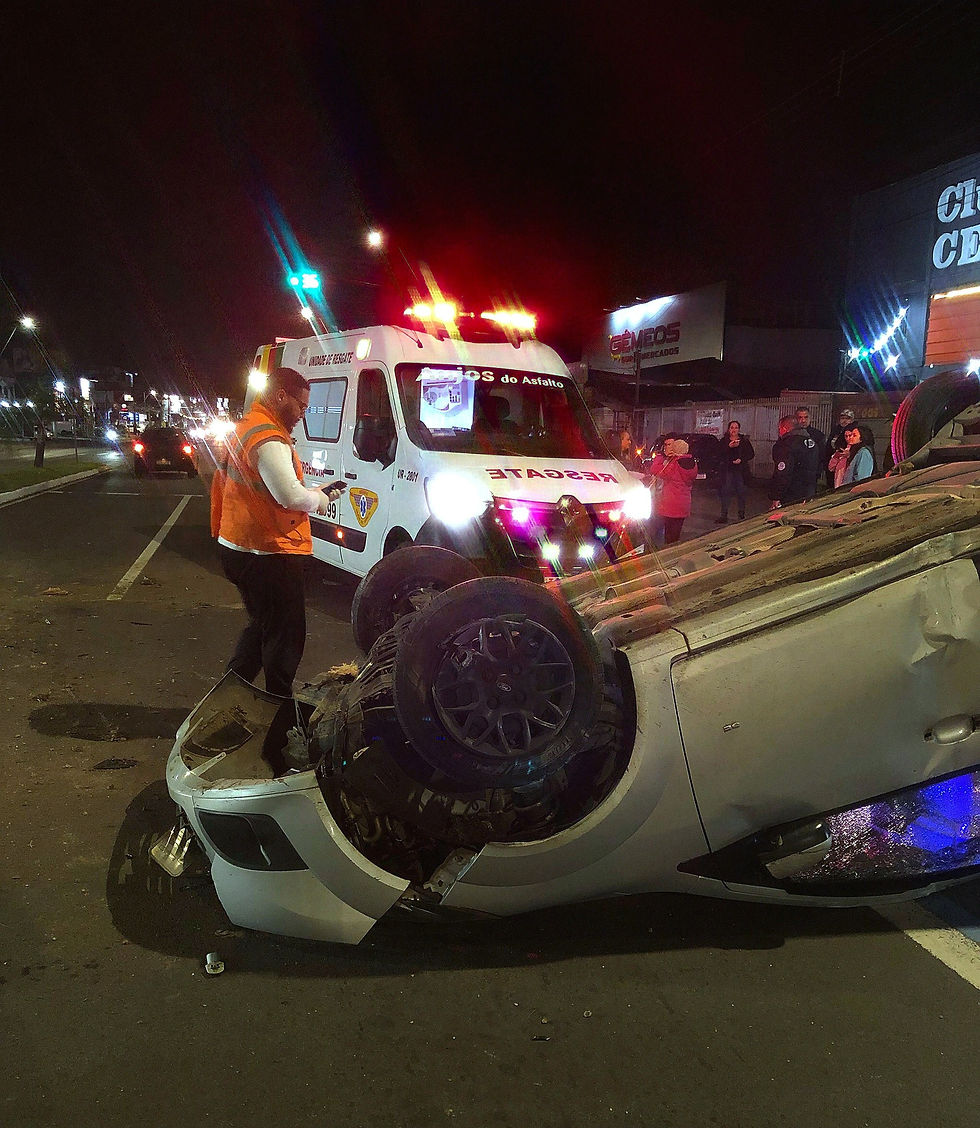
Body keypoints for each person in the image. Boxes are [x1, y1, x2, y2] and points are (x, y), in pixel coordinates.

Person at [211, 367, 347, 697]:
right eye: (301, 405)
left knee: (263, 627)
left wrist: (311, 489)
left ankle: (231, 694)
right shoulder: (268, 438)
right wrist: (323, 495)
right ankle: (278, 714)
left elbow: (267, 487)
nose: (303, 413)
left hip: (238, 544)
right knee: (285, 635)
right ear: (280, 396)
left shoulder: (248, 426)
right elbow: (291, 497)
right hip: (267, 552)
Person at [647, 437, 698, 544]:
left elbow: (656, 471)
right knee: (676, 535)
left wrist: (660, 456)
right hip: (683, 504)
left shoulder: (674, 464)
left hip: (670, 506)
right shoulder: (692, 463)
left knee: (667, 536)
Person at [770, 415, 820, 509]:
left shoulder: (786, 445)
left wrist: (776, 496)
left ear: (785, 428)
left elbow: (783, 473)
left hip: (791, 494)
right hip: (809, 491)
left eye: (780, 428)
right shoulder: (811, 443)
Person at [716, 420, 754, 523]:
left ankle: (741, 514)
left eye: (736, 427)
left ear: (739, 429)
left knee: (741, 492)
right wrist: (729, 447)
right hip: (728, 470)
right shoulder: (724, 441)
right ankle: (724, 515)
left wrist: (741, 459)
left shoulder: (744, 441)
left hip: (741, 471)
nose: (734, 430)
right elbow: (719, 454)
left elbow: (751, 454)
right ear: (728, 429)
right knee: (726, 492)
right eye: (732, 427)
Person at [795, 407, 826, 495]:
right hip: (794, 476)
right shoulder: (791, 434)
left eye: (806, 417)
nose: (803, 420)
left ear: (810, 418)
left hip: (811, 477)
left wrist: (817, 472)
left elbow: (822, 455)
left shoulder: (818, 435)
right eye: (800, 417)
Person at [824, 408, 855, 488]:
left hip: (843, 462)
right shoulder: (836, 430)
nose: (844, 421)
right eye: (842, 418)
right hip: (833, 461)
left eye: (847, 418)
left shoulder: (853, 431)